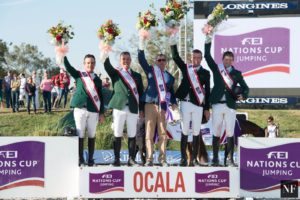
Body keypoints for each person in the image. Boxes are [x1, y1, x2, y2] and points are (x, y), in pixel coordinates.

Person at [204, 36, 249, 167]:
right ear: (222, 60)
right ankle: (216, 159)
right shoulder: (217, 69)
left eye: (230, 59)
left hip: (230, 106)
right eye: (226, 59)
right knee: (216, 132)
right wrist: (208, 39)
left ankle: (230, 159)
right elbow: (207, 56)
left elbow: (246, 88)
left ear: (233, 60)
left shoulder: (237, 73)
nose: (228, 61)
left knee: (230, 132)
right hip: (217, 104)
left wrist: (243, 96)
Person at [170, 36, 211, 166]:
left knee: (196, 131)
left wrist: (206, 109)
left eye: (199, 57)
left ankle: (193, 159)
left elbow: (208, 91)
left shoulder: (206, 73)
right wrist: (173, 39)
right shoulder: (186, 68)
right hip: (185, 103)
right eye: (194, 57)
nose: (196, 60)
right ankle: (183, 158)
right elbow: (176, 57)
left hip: (198, 104)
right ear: (191, 58)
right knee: (184, 131)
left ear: (201, 59)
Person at [138, 36, 177, 167]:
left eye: (163, 60)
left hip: (163, 107)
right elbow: (141, 60)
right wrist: (141, 41)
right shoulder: (150, 70)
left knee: (162, 133)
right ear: (155, 61)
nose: (161, 62)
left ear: (166, 62)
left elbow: (171, 93)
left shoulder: (170, 77)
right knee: (148, 133)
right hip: (149, 105)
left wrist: (174, 103)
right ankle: (149, 158)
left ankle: (162, 159)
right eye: (159, 60)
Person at [102, 51, 144, 167]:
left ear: (130, 61)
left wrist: (141, 109)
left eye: (128, 59)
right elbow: (106, 65)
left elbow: (140, 93)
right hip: (119, 107)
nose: (126, 61)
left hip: (133, 108)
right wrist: (106, 48)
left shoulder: (137, 76)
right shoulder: (116, 73)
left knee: (132, 134)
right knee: (117, 133)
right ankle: (116, 159)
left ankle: (131, 159)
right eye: (123, 59)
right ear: (120, 61)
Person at [64, 54, 105, 166]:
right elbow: (68, 67)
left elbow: (100, 97)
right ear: (84, 64)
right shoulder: (78, 75)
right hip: (80, 109)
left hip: (93, 110)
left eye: (92, 63)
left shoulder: (98, 80)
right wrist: (63, 54)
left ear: (94, 64)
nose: (90, 65)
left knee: (92, 134)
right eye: (88, 62)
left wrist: (101, 113)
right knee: (80, 133)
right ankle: (80, 159)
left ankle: (91, 159)